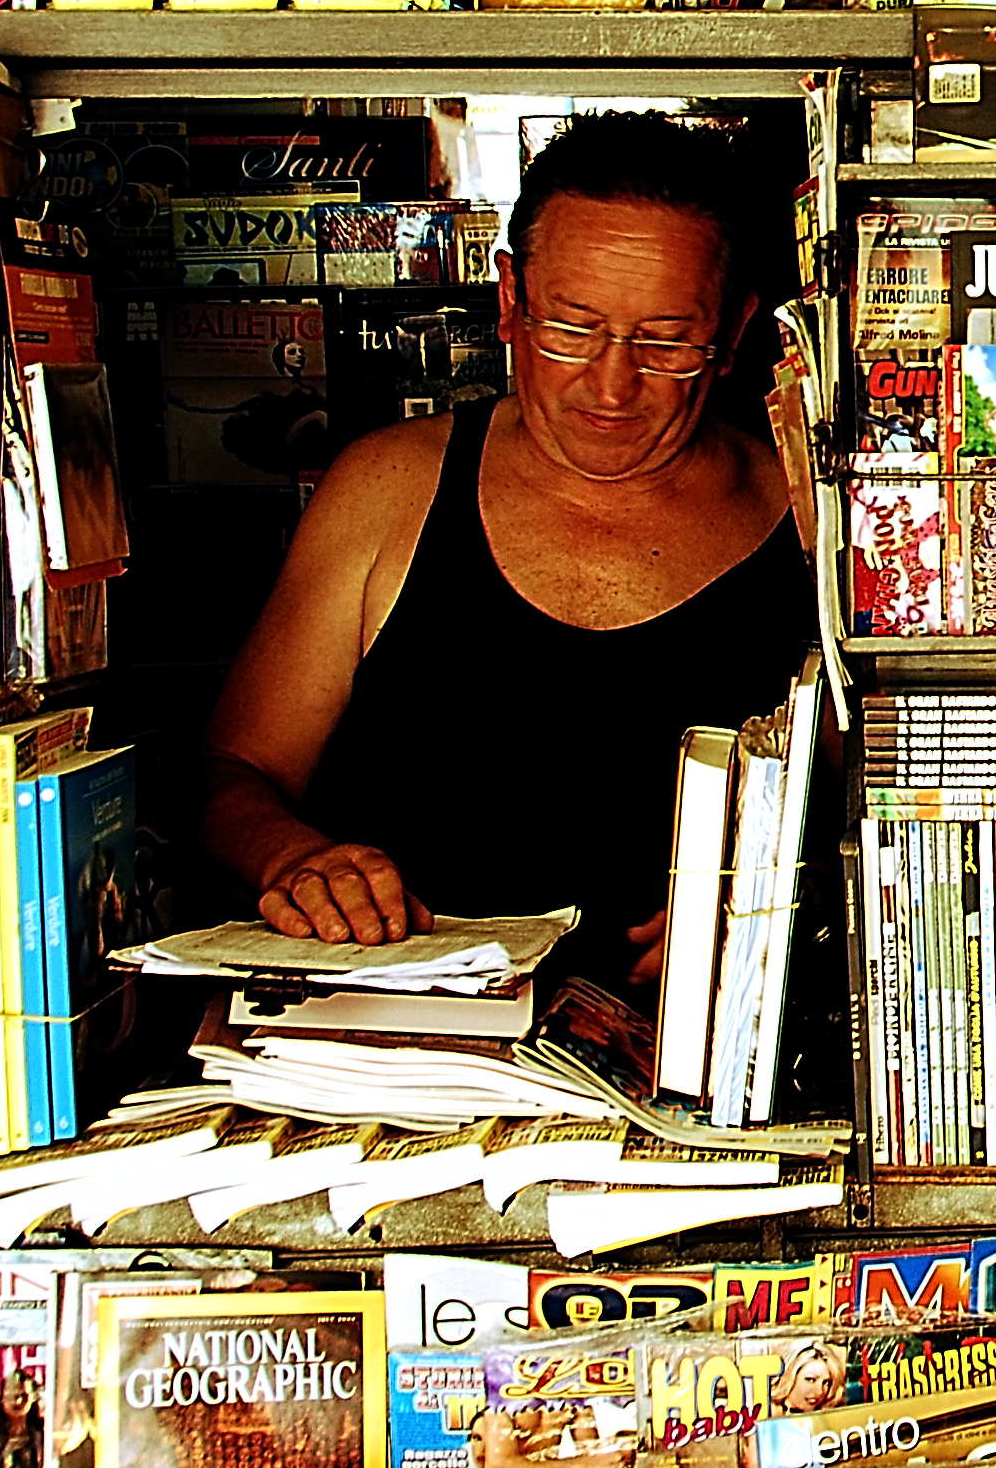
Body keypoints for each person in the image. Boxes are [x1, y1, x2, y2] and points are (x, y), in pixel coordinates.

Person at [203, 111, 814, 994]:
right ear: (507, 301)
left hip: (694, 1065)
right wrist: (295, 860)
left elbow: (884, 816)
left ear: (735, 328)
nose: (612, 383)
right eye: (571, 328)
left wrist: (770, 901)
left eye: (665, 339)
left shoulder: (811, 515)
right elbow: (233, 775)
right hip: (394, 1045)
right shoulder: (388, 489)